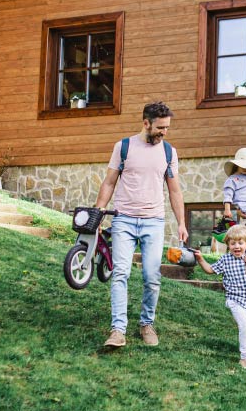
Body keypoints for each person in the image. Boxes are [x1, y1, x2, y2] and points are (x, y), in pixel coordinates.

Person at [95, 101, 188, 348]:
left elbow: (175, 191)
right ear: (145, 123)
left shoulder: (169, 152)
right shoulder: (123, 147)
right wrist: (99, 213)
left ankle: (147, 323)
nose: (164, 132)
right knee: (120, 273)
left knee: (151, 276)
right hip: (124, 219)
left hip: (154, 222)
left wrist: (182, 222)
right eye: (160, 127)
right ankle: (118, 330)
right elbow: (109, 182)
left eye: (167, 127)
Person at [193, 225, 246, 371]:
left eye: (240, 243)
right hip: (236, 301)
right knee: (245, 324)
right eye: (233, 243)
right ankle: (245, 358)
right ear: (228, 245)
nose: (237, 246)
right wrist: (200, 259)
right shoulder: (225, 260)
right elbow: (210, 270)